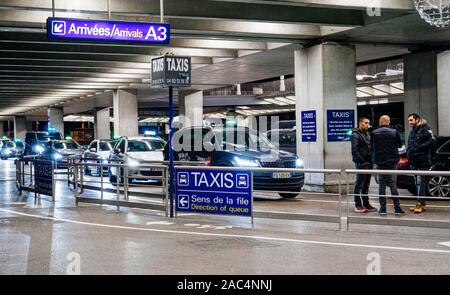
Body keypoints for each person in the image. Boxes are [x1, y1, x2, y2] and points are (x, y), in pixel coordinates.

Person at [372, 115, 405, 215]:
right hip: (392, 162)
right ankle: (397, 208)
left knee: (381, 185)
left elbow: (371, 145)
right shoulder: (394, 132)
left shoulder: (374, 133)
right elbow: (400, 145)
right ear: (389, 122)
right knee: (392, 184)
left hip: (380, 162)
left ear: (380, 122)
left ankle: (383, 209)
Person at [406, 113, 436, 214]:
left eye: (411, 120)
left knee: (420, 183)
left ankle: (419, 203)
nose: (409, 122)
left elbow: (432, 141)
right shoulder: (413, 131)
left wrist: (419, 147)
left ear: (417, 120)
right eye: (409, 120)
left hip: (422, 161)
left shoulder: (425, 129)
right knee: (417, 183)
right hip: (414, 161)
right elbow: (410, 144)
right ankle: (421, 203)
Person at [351, 117, 377, 213]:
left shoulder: (368, 134)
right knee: (359, 184)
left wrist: (371, 161)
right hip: (361, 163)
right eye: (366, 123)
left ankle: (366, 203)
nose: (368, 125)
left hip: (369, 163)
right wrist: (362, 162)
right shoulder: (355, 135)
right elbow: (354, 151)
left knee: (366, 184)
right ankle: (358, 204)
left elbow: (371, 147)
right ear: (360, 123)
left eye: (368, 123)